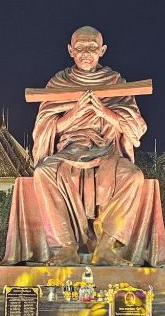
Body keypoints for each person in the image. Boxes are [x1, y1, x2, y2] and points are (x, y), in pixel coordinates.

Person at [31, 26, 148, 266]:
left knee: (133, 177)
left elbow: (135, 130)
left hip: (106, 151)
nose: (86, 53)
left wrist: (103, 111)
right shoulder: (59, 83)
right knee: (43, 172)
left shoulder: (115, 83)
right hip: (69, 150)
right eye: (80, 47)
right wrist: (73, 114)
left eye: (92, 47)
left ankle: (105, 247)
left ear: (102, 50)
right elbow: (44, 129)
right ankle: (66, 246)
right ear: (70, 50)